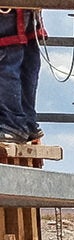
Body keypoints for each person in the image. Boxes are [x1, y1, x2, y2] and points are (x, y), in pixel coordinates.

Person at [0, 7, 44, 144]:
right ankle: (26, 123)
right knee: (24, 61)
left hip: (8, 10)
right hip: (24, 9)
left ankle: (12, 125)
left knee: (6, 63)